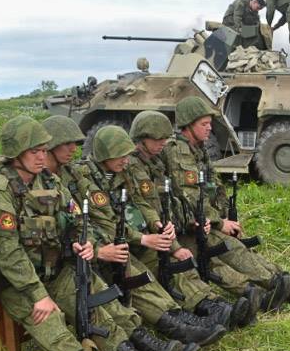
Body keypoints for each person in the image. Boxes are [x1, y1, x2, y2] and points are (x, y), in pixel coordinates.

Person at [0, 116, 183, 351]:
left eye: (43, 150)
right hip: (18, 281)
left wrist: (85, 243)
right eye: (34, 151)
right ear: (14, 154)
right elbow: (8, 252)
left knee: (97, 297)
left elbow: (75, 217)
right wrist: (38, 294)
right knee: (49, 322)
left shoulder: (48, 181)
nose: (42, 157)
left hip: (55, 269)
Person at [41, 115, 226, 349]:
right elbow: (98, 221)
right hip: (85, 254)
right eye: (66, 144)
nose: (72, 150)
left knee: (154, 262)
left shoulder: (80, 174)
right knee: (129, 269)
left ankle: (181, 316)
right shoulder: (71, 178)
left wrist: (157, 227)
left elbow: (139, 204)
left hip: (104, 245)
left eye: (74, 144)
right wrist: (109, 247)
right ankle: (159, 330)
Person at [162, 97, 290, 307]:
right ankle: (285, 287)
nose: (209, 129)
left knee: (237, 247)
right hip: (188, 226)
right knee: (229, 248)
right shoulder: (179, 151)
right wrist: (221, 224)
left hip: (202, 221)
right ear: (188, 125)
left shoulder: (198, 149)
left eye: (210, 123)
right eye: (204, 124)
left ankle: (284, 281)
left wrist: (225, 218)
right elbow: (190, 196)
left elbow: (214, 187)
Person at [89, 123, 254, 329]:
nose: (125, 159)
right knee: (149, 276)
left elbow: (141, 202)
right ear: (105, 155)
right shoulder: (89, 180)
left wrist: (158, 225)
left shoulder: (124, 172)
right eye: (120, 155)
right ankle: (180, 320)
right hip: (116, 247)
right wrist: (145, 238)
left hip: (142, 238)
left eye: (126, 155)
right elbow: (107, 222)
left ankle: (210, 305)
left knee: (175, 263)